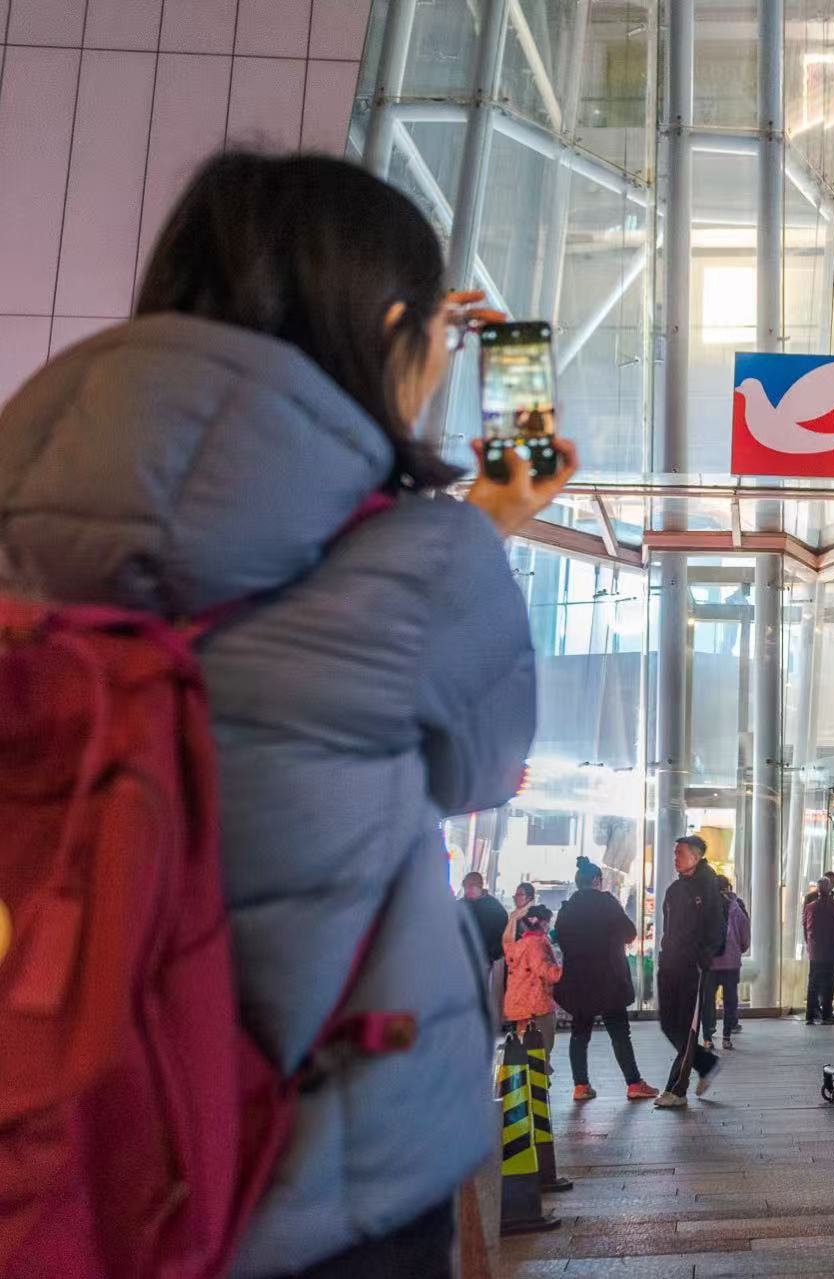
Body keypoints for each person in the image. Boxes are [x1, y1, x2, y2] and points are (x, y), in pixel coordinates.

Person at [0, 152, 576, 1275]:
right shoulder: (424, 557)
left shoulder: (25, 509)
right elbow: (485, 768)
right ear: (393, 329)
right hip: (313, 1171)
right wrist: (490, 514)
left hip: (48, 1123)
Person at [554, 857, 658, 1103]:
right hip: (609, 978)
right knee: (619, 1033)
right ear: (597, 881)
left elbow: (559, 938)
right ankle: (634, 1084)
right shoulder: (607, 903)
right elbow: (630, 933)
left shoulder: (567, 908)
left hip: (578, 980)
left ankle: (580, 1086)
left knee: (580, 1033)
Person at [654, 836, 728, 1107]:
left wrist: (702, 958)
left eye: (680, 853)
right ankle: (706, 1063)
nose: (675, 857)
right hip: (670, 964)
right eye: (675, 853)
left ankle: (677, 1090)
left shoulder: (708, 887)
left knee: (686, 1028)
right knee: (668, 1024)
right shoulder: (674, 889)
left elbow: (717, 929)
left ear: (695, 857)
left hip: (692, 968)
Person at [503, 905, 562, 1056]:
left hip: (520, 1006)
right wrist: (565, 971)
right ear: (543, 923)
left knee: (526, 1052)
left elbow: (506, 941)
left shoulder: (518, 945)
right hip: (538, 1006)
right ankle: (542, 1071)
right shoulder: (537, 944)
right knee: (542, 1053)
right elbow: (545, 971)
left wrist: (512, 919)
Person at [705, 875, 750, 1051]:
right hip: (731, 963)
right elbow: (745, 935)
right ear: (728, 888)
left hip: (709, 963)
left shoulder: (705, 907)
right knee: (730, 1000)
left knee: (708, 1000)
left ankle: (708, 1038)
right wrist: (739, 949)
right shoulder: (736, 908)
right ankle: (726, 1037)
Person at [462, 871, 511, 1028]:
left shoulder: (494, 908)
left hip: (486, 957)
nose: (468, 891)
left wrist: (492, 953)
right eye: (466, 888)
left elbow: (502, 934)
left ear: (479, 887)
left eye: (471, 888)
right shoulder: (460, 906)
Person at [804, 875, 834, 1025]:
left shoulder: (810, 907)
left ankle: (810, 1014)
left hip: (815, 953)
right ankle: (827, 1015)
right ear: (830, 889)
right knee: (828, 984)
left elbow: (805, 928)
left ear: (818, 890)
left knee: (813, 983)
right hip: (831, 952)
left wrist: (809, 946)